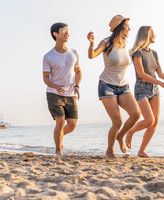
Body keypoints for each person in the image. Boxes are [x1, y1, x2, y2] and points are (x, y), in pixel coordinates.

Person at [125, 26, 164, 158]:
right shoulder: (138, 53)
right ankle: (130, 132)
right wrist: (161, 83)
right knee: (149, 120)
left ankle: (141, 151)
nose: (155, 35)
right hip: (142, 88)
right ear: (146, 35)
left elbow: (160, 74)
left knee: (155, 122)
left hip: (154, 89)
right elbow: (141, 74)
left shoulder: (154, 53)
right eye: (153, 33)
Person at [87, 15, 141, 159]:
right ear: (120, 28)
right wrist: (91, 43)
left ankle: (121, 136)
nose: (129, 28)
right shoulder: (106, 42)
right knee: (117, 121)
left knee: (136, 114)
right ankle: (109, 151)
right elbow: (92, 55)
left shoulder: (125, 44)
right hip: (107, 86)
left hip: (123, 86)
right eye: (127, 26)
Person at [43, 22, 82, 156]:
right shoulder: (48, 56)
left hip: (70, 94)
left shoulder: (74, 53)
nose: (67, 32)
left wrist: (77, 85)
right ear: (55, 34)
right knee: (60, 121)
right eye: (63, 30)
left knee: (71, 125)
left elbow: (78, 72)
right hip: (54, 93)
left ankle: (58, 137)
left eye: (67, 30)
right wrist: (55, 86)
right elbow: (46, 78)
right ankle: (58, 150)